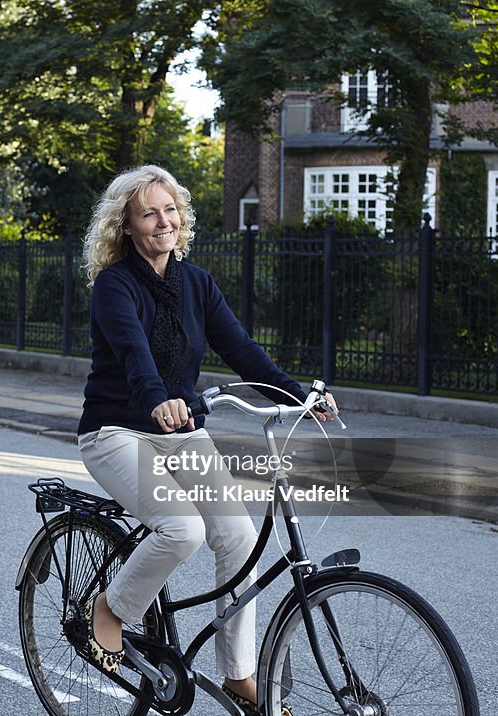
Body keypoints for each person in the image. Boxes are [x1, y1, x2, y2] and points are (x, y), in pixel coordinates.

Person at [76, 165, 335, 714]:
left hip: (180, 432)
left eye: (170, 210)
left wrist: (296, 397)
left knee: (238, 535)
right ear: (126, 225)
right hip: (116, 431)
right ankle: (110, 611)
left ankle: (239, 673)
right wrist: (156, 399)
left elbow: (240, 349)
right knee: (181, 527)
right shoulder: (114, 285)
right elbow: (133, 354)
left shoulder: (196, 282)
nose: (163, 222)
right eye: (149, 213)